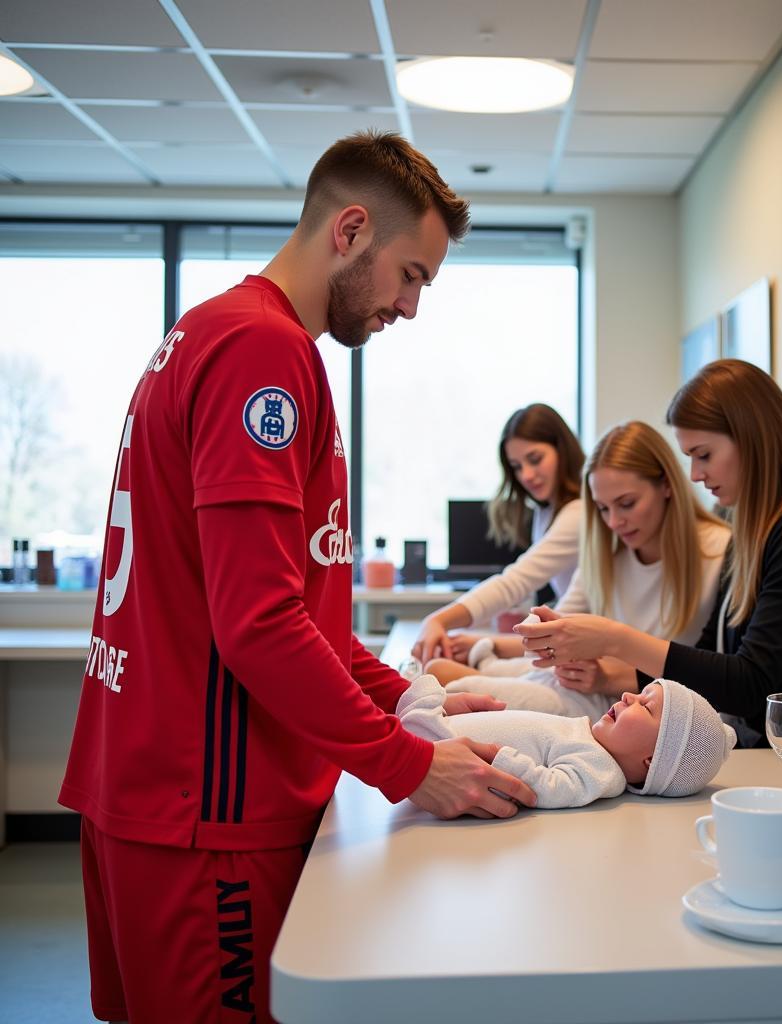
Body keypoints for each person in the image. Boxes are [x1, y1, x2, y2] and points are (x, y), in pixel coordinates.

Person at [57, 131, 536, 1024]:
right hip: (206, 809)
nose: (411, 306)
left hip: (155, 787)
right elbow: (260, 626)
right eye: (412, 275)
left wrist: (409, 699)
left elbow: (291, 607)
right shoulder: (262, 354)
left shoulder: (211, 329)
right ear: (350, 230)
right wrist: (409, 767)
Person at [517, 359, 782, 746]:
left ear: (751, 438)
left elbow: (748, 683)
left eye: (704, 455)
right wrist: (610, 676)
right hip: (773, 746)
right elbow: (710, 655)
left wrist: (615, 640)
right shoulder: (750, 527)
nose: (694, 474)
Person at [434, 421, 732, 722]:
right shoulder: (605, 552)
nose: (614, 522)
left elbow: (717, 677)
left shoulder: (719, 552)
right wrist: (493, 644)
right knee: (440, 673)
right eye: (603, 509)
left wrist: (609, 675)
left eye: (626, 504)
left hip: (645, 715)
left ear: (667, 485)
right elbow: (558, 635)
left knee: (448, 683)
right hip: (592, 693)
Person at [398, 674, 736, 807]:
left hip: (446, 753)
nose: (629, 695)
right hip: (440, 737)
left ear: (652, 759)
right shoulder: (590, 741)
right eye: (641, 693)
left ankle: (417, 717)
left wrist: (503, 760)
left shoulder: (601, 769)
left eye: (646, 706)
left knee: (423, 686)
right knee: (423, 689)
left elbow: (551, 789)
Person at [412, 403, 585, 662]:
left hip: (584, 656)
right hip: (572, 649)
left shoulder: (577, 514)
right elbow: (564, 615)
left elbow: (514, 582)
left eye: (535, 459)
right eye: (516, 466)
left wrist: (439, 620)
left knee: (446, 675)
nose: (526, 475)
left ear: (563, 450)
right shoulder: (547, 512)